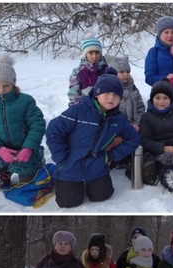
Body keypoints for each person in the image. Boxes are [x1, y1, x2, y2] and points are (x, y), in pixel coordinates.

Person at [46, 67, 140, 208]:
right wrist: (60, 157)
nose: (111, 98)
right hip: (71, 163)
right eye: (106, 93)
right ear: (96, 93)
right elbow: (54, 130)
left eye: (116, 95)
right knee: (68, 203)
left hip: (97, 165)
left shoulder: (118, 119)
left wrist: (111, 156)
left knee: (102, 196)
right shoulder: (79, 110)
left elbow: (133, 139)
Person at [0, 54, 46, 190]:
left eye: (6, 85)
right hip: (0, 150)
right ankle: (4, 173)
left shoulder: (26, 101)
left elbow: (37, 125)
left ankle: (37, 161)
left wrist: (28, 147)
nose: (1, 90)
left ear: (13, 84)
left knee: (28, 182)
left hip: (24, 150)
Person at [103, 54, 146, 169]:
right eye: (121, 72)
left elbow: (141, 108)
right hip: (116, 126)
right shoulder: (111, 90)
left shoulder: (134, 89)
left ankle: (130, 158)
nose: (126, 74)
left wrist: (137, 123)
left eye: (127, 71)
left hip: (132, 124)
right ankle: (112, 158)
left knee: (139, 137)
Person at [68, 33, 108, 106]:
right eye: (91, 53)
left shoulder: (107, 70)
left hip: (105, 107)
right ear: (85, 54)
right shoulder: (77, 72)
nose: (94, 56)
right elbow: (73, 93)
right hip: (86, 107)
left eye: (97, 52)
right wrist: (77, 107)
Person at [145, 16, 173, 86]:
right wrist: (165, 79)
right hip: (164, 92)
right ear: (160, 35)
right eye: (166, 32)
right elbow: (149, 78)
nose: (170, 35)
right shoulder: (154, 52)